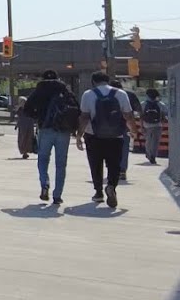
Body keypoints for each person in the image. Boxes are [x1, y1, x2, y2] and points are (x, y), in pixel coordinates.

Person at [76, 71, 134, 209]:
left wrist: (79, 135)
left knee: (95, 164)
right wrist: (133, 130)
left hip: (93, 136)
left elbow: (84, 117)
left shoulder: (88, 94)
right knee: (114, 164)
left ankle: (98, 192)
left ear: (93, 82)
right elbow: (128, 115)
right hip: (116, 136)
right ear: (107, 81)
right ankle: (111, 186)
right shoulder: (121, 94)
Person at [22, 70, 78, 204]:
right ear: (58, 78)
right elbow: (77, 109)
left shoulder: (39, 91)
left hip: (45, 129)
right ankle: (57, 195)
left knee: (43, 159)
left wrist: (39, 117)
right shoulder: (65, 91)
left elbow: (27, 109)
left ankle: (44, 184)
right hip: (63, 131)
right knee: (61, 164)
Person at [109, 80, 142, 181]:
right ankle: (122, 171)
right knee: (124, 148)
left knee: (110, 149)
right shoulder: (129, 95)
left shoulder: (106, 95)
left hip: (109, 126)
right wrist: (135, 129)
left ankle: (112, 170)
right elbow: (138, 110)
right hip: (125, 125)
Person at [140, 87, 169, 165]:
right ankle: (153, 156)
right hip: (158, 125)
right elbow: (165, 115)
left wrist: (141, 126)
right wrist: (162, 123)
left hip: (146, 125)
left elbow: (141, 116)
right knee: (155, 142)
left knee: (148, 141)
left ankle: (149, 154)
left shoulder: (143, 104)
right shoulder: (160, 104)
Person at [14, 95, 36, 159]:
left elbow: (33, 115)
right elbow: (18, 117)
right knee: (22, 138)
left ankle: (27, 151)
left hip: (29, 125)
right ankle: (24, 152)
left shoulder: (29, 108)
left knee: (29, 138)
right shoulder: (20, 109)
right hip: (22, 126)